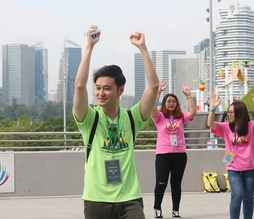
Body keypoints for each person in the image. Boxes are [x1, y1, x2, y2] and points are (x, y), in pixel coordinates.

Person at [73, 25, 159, 219]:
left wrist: (143, 49)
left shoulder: (131, 118)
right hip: (96, 199)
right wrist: (89, 46)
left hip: (129, 199)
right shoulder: (90, 119)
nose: (100, 93)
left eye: (107, 88)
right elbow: (79, 86)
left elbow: (153, 87)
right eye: (97, 88)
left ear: (120, 90)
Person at [151, 80, 196, 219]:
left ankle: (175, 210)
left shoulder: (181, 117)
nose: (171, 103)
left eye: (174, 101)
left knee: (176, 184)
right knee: (161, 182)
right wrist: (158, 92)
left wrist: (188, 96)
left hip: (180, 154)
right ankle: (157, 208)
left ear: (177, 104)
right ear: (164, 103)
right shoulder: (159, 117)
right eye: (168, 101)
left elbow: (193, 112)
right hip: (163, 155)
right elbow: (152, 108)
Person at [207, 92, 254, 219]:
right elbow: (211, 124)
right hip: (233, 168)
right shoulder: (226, 127)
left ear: (240, 113)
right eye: (228, 112)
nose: (229, 114)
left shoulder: (251, 126)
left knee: (249, 198)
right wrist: (212, 109)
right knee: (237, 195)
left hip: (249, 168)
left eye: (231, 112)